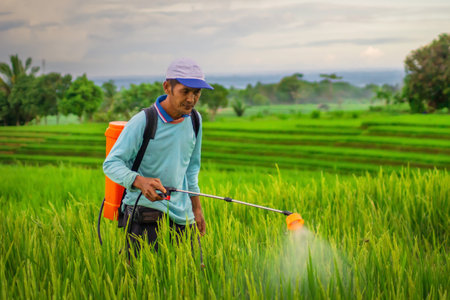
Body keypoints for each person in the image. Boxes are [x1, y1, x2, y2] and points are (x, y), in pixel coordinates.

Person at [103, 58, 213, 255]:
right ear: (167, 87)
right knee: (141, 277)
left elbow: (191, 169)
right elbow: (111, 163)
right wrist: (140, 182)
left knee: (186, 275)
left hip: (182, 213)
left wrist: (197, 210)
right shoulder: (143, 121)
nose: (191, 99)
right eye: (185, 91)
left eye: (196, 93)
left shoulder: (195, 120)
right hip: (145, 212)